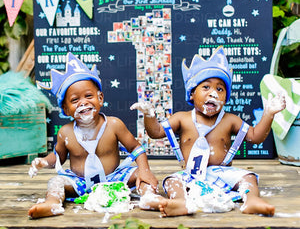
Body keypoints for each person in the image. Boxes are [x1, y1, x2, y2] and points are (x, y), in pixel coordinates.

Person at [131, 46, 286, 217]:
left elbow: (256, 137)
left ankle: (252, 200)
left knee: (248, 177)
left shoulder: (230, 120)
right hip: (191, 175)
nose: (213, 93)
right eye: (206, 87)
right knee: (171, 181)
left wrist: (269, 114)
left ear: (226, 97)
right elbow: (156, 132)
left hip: (222, 173)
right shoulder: (182, 118)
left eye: (220, 89)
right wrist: (149, 115)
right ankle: (180, 202)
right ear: (191, 94)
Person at [28, 52, 158, 219]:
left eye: (89, 96)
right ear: (66, 110)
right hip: (80, 182)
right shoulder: (65, 133)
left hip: (114, 179)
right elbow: (58, 158)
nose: (83, 102)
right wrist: (43, 161)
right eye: (75, 100)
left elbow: (136, 148)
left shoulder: (113, 124)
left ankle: (150, 197)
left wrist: (144, 170)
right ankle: (52, 203)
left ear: (100, 97)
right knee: (56, 182)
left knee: (138, 174)